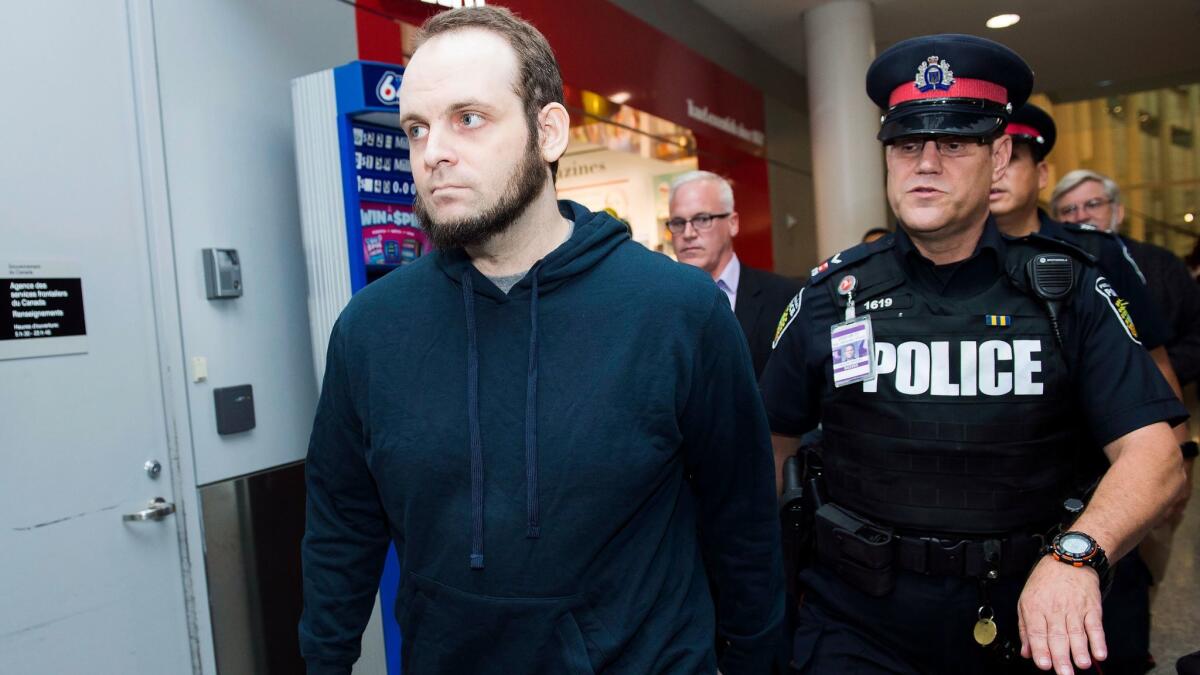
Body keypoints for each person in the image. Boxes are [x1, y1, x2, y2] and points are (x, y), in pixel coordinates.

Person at [299, 7, 783, 674]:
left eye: (468, 118)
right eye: (417, 127)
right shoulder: (371, 329)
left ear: (549, 130)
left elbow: (743, 527)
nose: (433, 151)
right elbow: (341, 526)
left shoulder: (678, 311)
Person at [762, 34, 1187, 675]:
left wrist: (1078, 555)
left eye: (954, 143)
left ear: (999, 159)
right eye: (907, 144)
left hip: (1029, 615)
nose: (925, 163)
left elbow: (1156, 457)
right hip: (857, 622)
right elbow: (771, 444)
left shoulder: (1067, 292)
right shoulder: (832, 294)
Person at [992, 103, 1196, 675]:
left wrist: (1172, 460)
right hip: (1005, 503)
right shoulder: (956, 258)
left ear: (1041, 172)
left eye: (1014, 157)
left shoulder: (1096, 253)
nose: (998, 171)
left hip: (1096, 487)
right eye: (988, 155)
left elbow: (1152, 360)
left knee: (1109, 638)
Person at [668, 171, 803, 378]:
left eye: (702, 219)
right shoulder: (658, 304)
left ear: (733, 223)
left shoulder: (785, 298)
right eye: (678, 223)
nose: (688, 234)